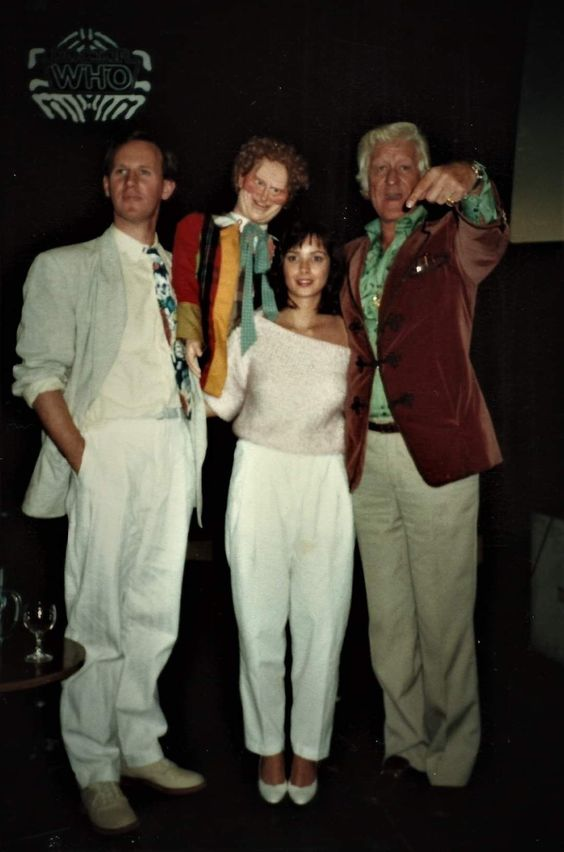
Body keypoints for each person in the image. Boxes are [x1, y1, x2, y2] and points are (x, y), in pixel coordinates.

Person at [12, 131, 207, 835]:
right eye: (119, 171)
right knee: (95, 617)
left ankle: (139, 747)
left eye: (145, 171)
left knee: (155, 612)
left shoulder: (184, 273)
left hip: (170, 449)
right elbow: (38, 374)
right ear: (105, 187)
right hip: (104, 447)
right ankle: (94, 766)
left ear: (167, 189)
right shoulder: (63, 267)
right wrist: (86, 460)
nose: (131, 181)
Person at [341, 121, 509, 789]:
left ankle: (452, 756)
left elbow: (488, 224)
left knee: (443, 615)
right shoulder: (351, 255)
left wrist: (472, 178)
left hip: (435, 454)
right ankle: (404, 745)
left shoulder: (453, 244)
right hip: (367, 461)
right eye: (378, 169)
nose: (390, 179)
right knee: (389, 617)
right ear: (362, 182)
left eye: (403, 167)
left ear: (423, 179)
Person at [205, 223, 354, 806]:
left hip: (324, 479)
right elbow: (222, 403)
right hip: (260, 472)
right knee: (260, 621)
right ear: (279, 264)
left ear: (329, 268)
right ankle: (268, 746)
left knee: (322, 624)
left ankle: (308, 750)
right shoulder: (253, 328)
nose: (304, 268)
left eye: (316, 257)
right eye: (293, 255)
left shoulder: (350, 336)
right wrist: (192, 355)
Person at [171, 135, 310, 391]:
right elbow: (184, 284)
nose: (265, 197)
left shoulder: (285, 253)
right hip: (203, 371)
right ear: (240, 178)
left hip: (259, 384)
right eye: (259, 183)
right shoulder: (198, 227)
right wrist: (190, 334)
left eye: (277, 190)